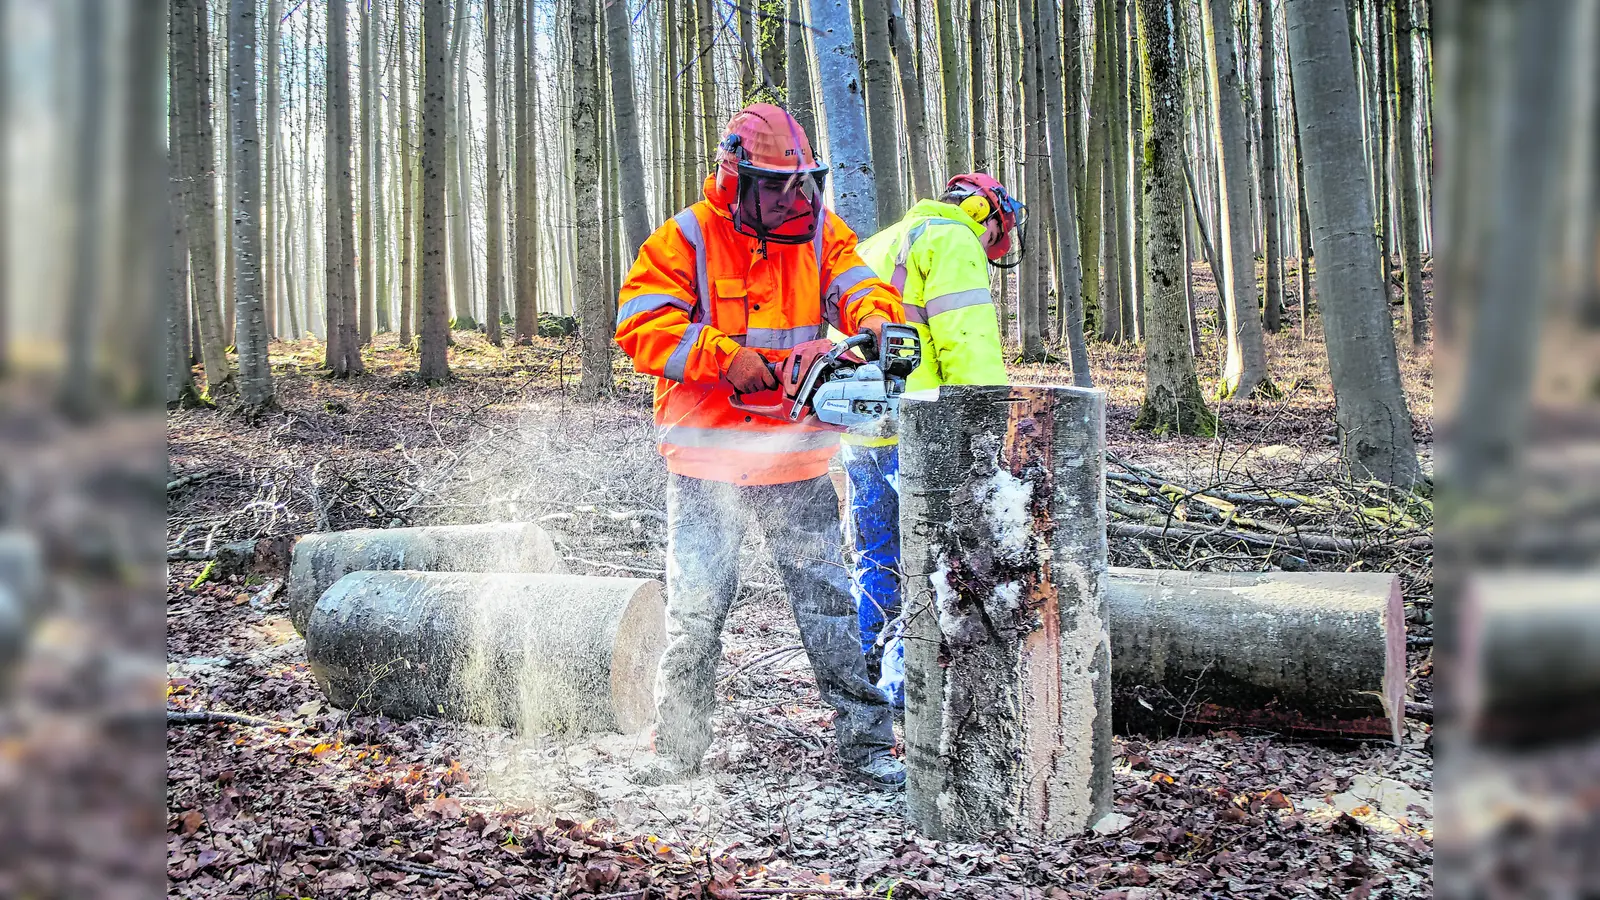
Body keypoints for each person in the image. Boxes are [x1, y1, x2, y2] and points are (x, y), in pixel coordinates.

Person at [613, 103, 908, 789]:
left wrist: (860, 334)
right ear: (736, 177)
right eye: (776, 186)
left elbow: (866, 291)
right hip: (707, 464)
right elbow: (639, 323)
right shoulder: (686, 237)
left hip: (795, 459)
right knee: (696, 612)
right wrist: (723, 357)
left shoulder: (818, 236)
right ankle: (677, 749)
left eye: (800, 183)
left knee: (830, 606)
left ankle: (866, 746)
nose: (791, 198)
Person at [841, 173, 1025, 706]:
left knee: (876, 553)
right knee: (934, 559)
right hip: (922, 431)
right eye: (993, 236)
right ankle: (908, 684)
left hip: (862, 428)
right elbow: (967, 344)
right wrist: (987, 431)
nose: (988, 248)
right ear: (983, 215)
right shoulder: (953, 238)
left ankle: (868, 665)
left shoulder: (879, 242)